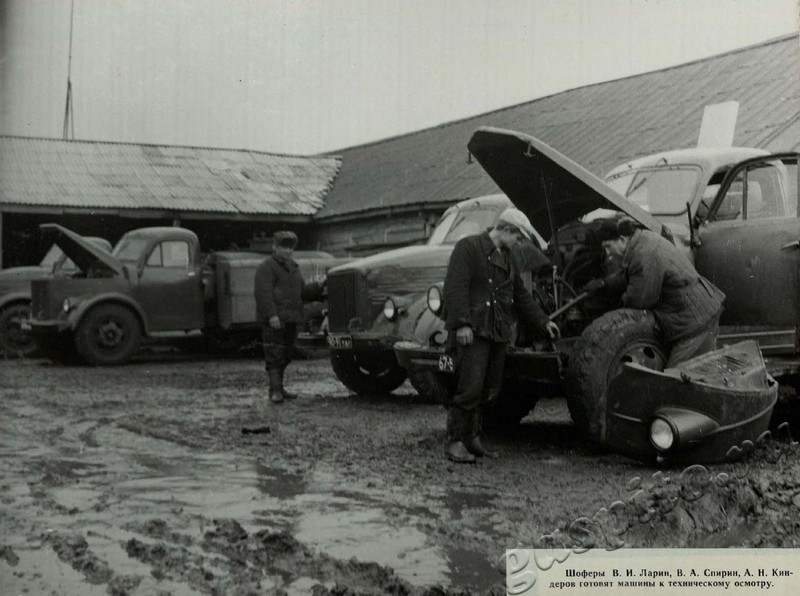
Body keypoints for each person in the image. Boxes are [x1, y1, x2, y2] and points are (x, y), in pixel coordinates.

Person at [442, 208, 560, 463]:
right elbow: (455, 287)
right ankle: (455, 441)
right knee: (470, 387)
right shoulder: (469, 248)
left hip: (497, 331)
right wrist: (462, 325)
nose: (518, 243)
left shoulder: (509, 258)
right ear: (506, 229)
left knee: (489, 388)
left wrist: (543, 321)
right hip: (474, 331)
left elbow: (520, 295)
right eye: (517, 237)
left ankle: (472, 438)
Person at [584, 218, 725, 368]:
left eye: (608, 246)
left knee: (676, 376)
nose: (607, 253)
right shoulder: (642, 240)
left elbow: (639, 300)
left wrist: (612, 310)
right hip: (693, 313)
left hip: (696, 323)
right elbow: (634, 276)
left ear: (622, 239)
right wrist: (605, 284)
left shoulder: (644, 254)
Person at [254, 231, 324, 403]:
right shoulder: (266, 267)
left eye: (290, 247)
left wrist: (319, 285)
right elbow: (263, 294)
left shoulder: (294, 267)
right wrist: (272, 316)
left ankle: (279, 388)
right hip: (275, 319)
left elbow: (303, 292)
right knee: (274, 354)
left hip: (292, 319)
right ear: (275, 247)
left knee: (287, 354)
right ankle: (275, 391)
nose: (288, 250)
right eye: (284, 247)